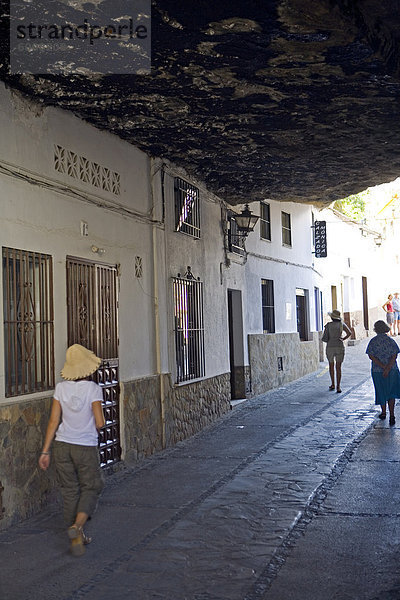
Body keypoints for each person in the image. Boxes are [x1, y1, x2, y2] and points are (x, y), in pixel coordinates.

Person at [38, 344, 105, 557]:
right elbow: (100, 422)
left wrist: (45, 451)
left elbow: (53, 421)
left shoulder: (61, 388)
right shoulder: (93, 389)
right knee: (91, 486)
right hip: (85, 446)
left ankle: (77, 532)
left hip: (62, 445)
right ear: (87, 367)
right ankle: (77, 527)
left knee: (69, 489)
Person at [366, 320, 400, 425]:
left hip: (377, 371)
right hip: (392, 371)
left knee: (381, 391)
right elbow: (395, 355)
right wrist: (388, 368)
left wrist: (382, 367)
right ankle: (392, 415)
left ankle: (384, 412)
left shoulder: (373, 341)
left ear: (375, 329)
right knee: (391, 392)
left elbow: (371, 356)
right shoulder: (390, 341)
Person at [322, 309, 352, 393]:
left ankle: (333, 384)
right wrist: (343, 339)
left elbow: (325, 337)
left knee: (331, 366)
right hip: (339, 346)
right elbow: (349, 333)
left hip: (330, 347)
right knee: (338, 367)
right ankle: (338, 386)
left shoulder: (328, 325)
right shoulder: (342, 324)